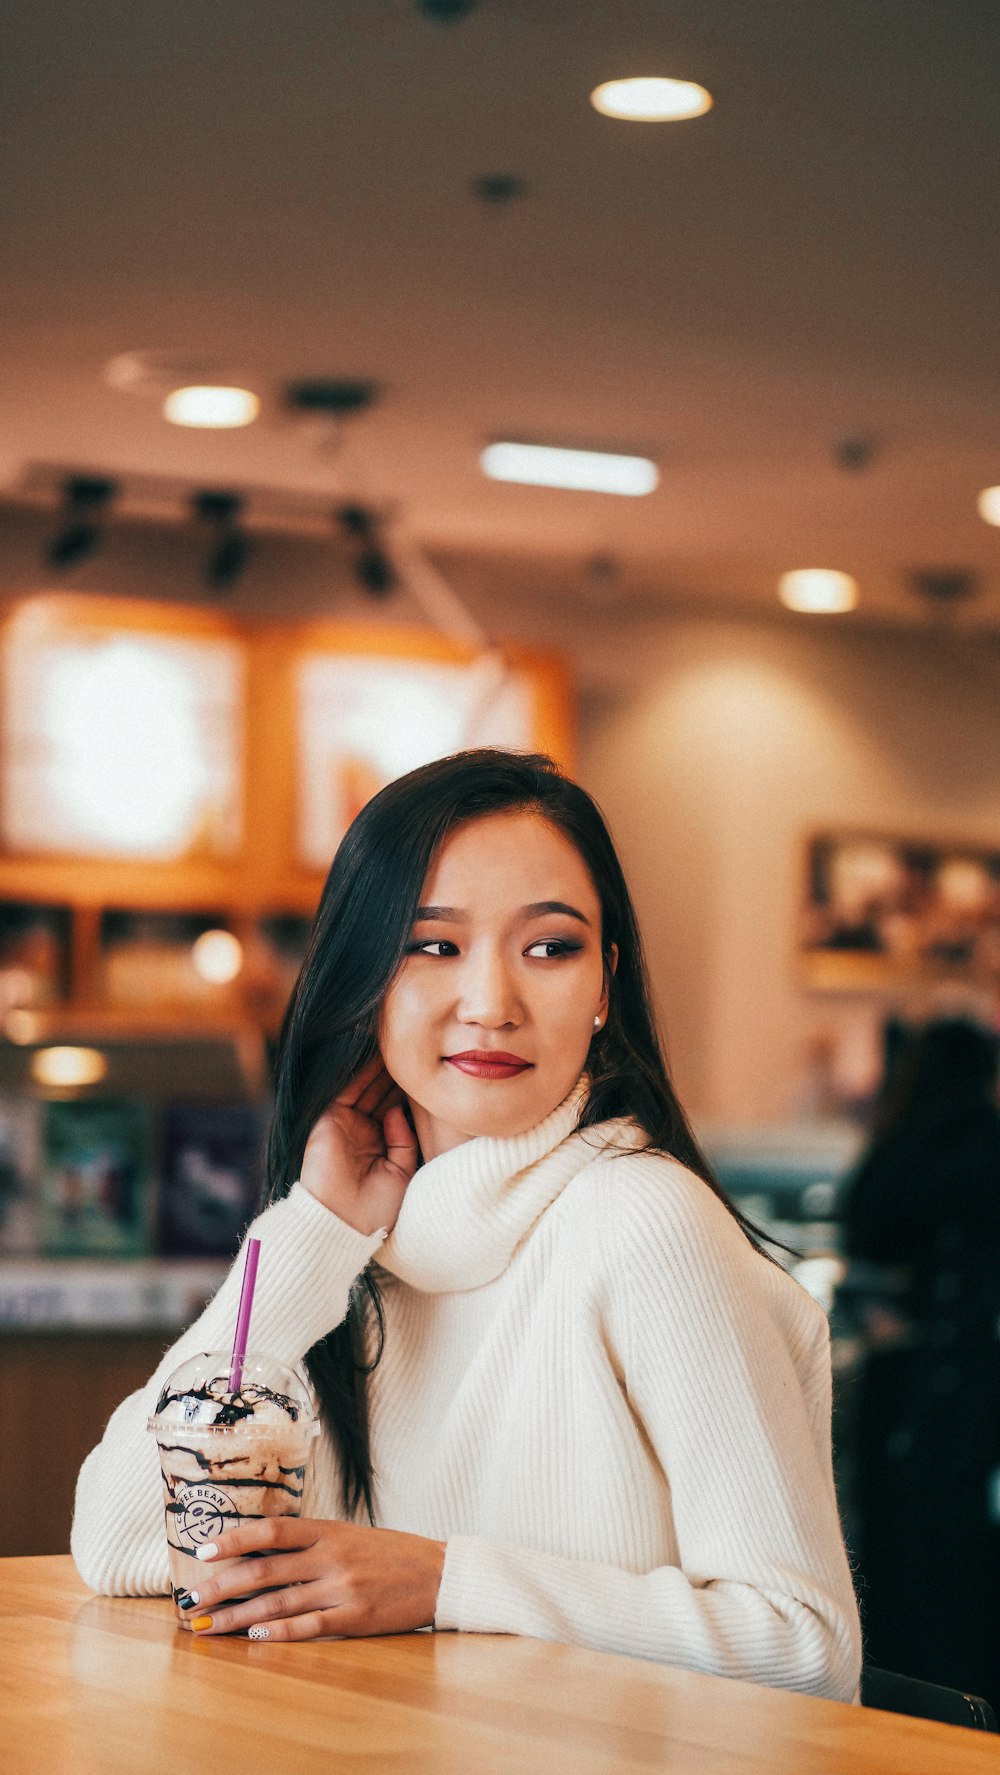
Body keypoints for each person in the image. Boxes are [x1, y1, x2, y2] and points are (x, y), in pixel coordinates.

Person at [72, 750, 861, 1700]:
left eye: (550, 947)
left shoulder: (645, 1220)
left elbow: (808, 1648)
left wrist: (447, 1580)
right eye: (434, 945)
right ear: (365, 979)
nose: (491, 1003)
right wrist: (316, 1232)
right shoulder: (349, 1249)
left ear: (606, 981)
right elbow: (117, 1542)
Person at [840, 1015, 1000, 1704]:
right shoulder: (989, 1143)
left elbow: (862, 1238)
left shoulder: (898, 1143)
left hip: (899, 1380)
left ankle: (900, 1707)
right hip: (972, 1383)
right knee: (962, 1563)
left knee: (896, 1558)